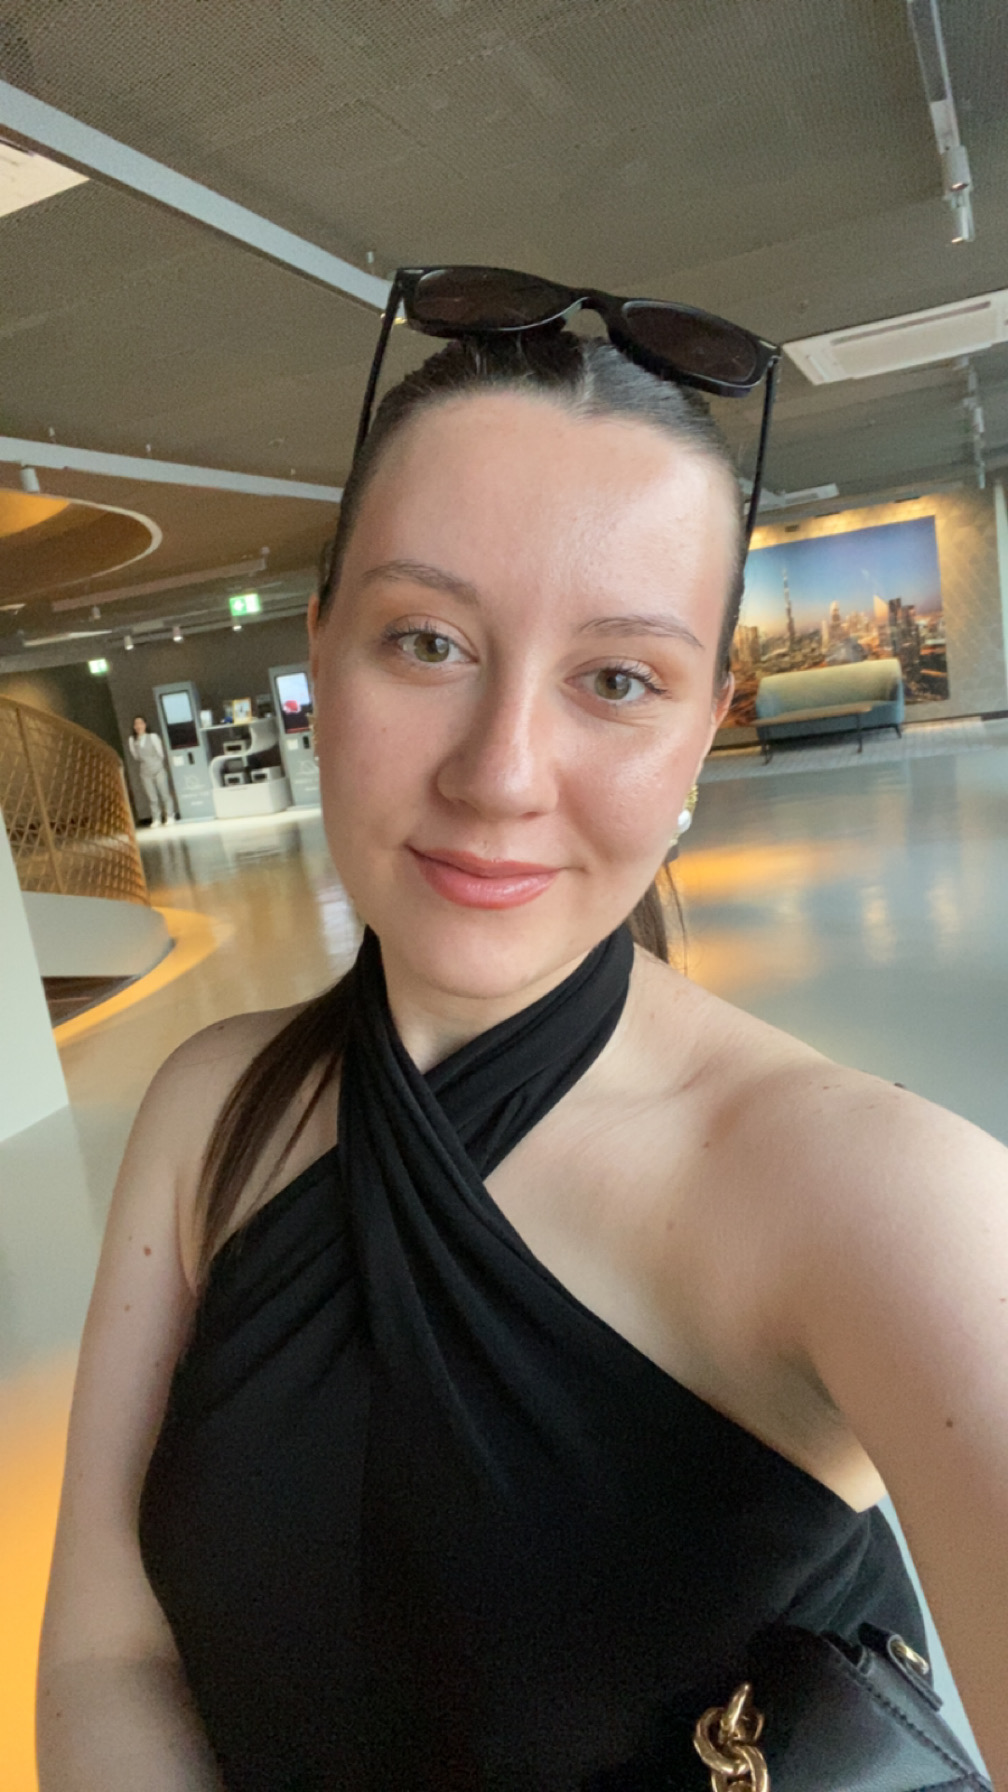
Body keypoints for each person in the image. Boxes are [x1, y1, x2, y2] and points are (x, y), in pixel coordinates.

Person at [37, 273, 1008, 1792]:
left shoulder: (869, 1190)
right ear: (322, 651)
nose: (500, 773)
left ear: (702, 728)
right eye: (427, 642)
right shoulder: (212, 1111)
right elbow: (107, 1654)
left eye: (618, 679)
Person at [128, 714, 175, 827]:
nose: (138, 726)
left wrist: (156, 763)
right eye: (136, 724)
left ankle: (170, 816)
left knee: (164, 793)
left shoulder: (152, 737)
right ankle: (156, 818)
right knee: (152, 797)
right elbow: (136, 756)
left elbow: (160, 753)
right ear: (134, 727)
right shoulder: (132, 740)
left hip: (157, 768)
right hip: (145, 771)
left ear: (145, 725)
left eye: (141, 723)